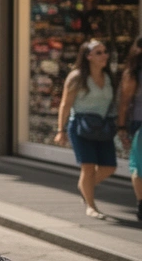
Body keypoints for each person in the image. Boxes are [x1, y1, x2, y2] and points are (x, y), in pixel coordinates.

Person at [54, 39, 117, 219]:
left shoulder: (109, 76)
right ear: (88, 56)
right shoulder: (77, 76)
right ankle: (91, 206)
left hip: (102, 126)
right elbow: (65, 105)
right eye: (99, 52)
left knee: (109, 167)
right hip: (80, 126)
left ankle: (84, 186)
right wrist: (61, 130)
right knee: (88, 168)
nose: (104, 55)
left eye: (105, 51)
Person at [117, 36, 142, 223]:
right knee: (138, 165)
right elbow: (124, 103)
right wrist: (122, 126)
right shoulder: (133, 74)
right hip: (139, 124)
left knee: (137, 165)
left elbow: (124, 103)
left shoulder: (132, 73)